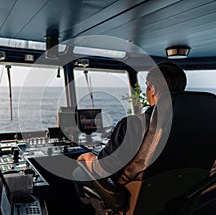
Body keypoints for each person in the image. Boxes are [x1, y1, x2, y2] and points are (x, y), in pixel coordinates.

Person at [73, 62, 187, 200]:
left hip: (133, 195)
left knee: (78, 172)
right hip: (174, 193)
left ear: (154, 89)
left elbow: (103, 169)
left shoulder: (133, 124)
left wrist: (87, 157)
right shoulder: (190, 124)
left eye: (147, 86)